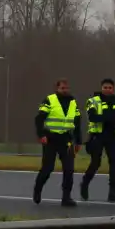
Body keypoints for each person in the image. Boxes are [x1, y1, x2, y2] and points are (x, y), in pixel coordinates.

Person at [32, 78, 81, 207]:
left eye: (66, 88)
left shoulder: (72, 102)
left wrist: (78, 141)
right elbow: (39, 119)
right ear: (57, 89)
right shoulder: (49, 100)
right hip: (51, 139)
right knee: (48, 168)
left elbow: (77, 122)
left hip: (66, 139)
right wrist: (41, 134)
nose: (65, 90)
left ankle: (66, 197)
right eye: (62, 88)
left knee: (69, 169)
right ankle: (38, 189)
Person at [80, 78, 115, 202]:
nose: (107, 90)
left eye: (110, 88)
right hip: (97, 136)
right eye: (105, 87)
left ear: (113, 89)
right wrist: (111, 118)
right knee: (96, 162)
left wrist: (108, 118)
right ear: (101, 88)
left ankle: (113, 191)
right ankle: (85, 184)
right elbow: (93, 117)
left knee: (114, 162)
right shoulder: (93, 101)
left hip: (111, 135)